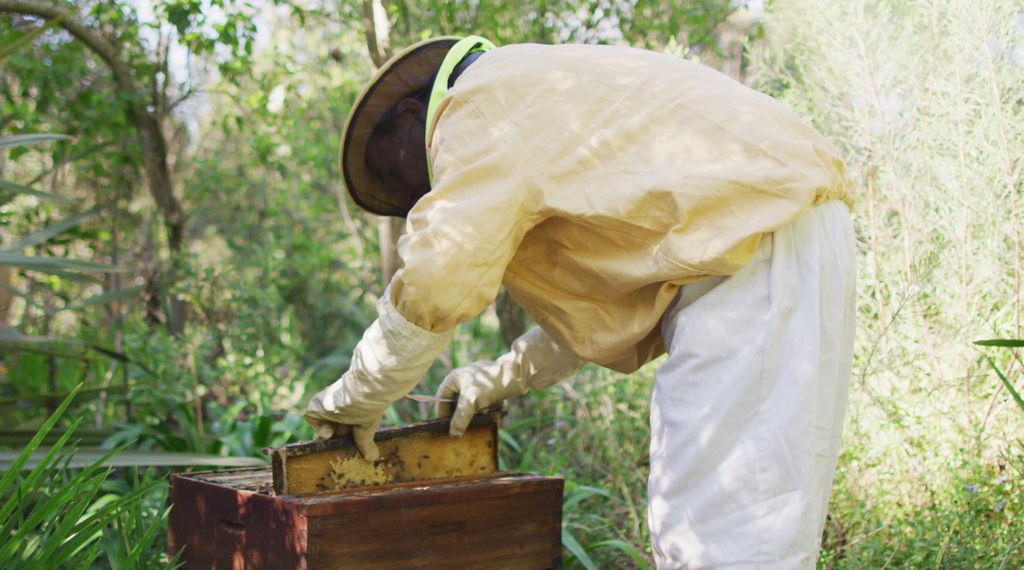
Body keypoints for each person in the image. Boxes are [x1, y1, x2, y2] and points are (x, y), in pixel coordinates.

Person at [304, 35, 856, 568]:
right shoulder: (534, 99)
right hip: (766, 240)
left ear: (408, 117)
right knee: (722, 524)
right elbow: (605, 303)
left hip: (755, 250)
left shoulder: (476, 105)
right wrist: (505, 373)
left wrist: (361, 390)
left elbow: (435, 277)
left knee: (723, 540)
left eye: (393, 174)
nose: (412, 198)